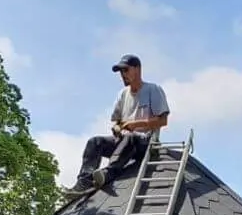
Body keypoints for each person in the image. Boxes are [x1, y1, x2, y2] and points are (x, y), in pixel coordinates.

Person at [63, 55, 170, 197]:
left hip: (146, 144)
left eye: (126, 70)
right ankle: (84, 182)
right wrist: (117, 128)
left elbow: (163, 120)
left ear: (137, 69)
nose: (123, 75)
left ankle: (107, 174)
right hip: (125, 142)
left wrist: (136, 124)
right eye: (121, 72)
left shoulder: (153, 89)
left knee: (131, 137)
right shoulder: (123, 94)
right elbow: (117, 121)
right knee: (95, 142)